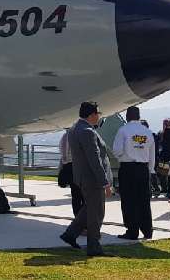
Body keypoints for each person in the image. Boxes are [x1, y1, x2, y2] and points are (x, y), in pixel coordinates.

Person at [59, 101, 113, 257]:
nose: (99, 117)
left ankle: (70, 234)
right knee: (97, 213)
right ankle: (93, 246)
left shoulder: (75, 128)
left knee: (89, 208)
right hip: (93, 178)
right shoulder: (87, 131)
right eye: (98, 114)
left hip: (83, 177)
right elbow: (94, 159)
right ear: (92, 115)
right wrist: (105, 182)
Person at [112, 106, 155, 240]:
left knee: (129, 200)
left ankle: (132, 231)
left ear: (127, 116)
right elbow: (152, 155)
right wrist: (150, 170)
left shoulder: (123, 130)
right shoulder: (147, 132)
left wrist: (123, 156)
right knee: (143, 200)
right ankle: (147, 230)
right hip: (143, 169)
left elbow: (117, 150)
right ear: (139, 116)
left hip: (128, 168)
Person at [59, 129, 84, 216]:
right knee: (83, 195)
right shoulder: (76, 136)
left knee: (75, 195)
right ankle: (82, 219)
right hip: (77, 166)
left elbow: (63, 156)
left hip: (68, 167)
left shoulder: (64, 137)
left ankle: (77, 217)